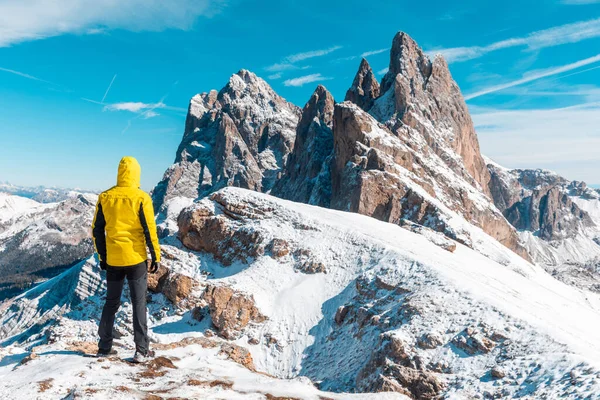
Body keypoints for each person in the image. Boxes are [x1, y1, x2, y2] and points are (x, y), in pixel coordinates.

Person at [92, 156, 161, 363]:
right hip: (136, 259)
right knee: (138, 303)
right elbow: (150, 230)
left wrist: (103, 256)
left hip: (113, 259)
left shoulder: (105, 197)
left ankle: (104, 347)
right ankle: (141, 351)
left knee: (111, 303)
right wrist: (155, 255)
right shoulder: (141, 198)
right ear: (136, 174)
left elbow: (97, 230)